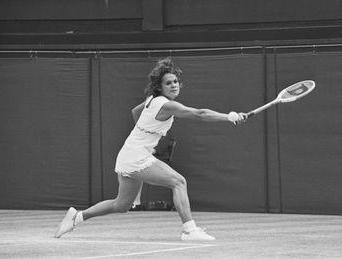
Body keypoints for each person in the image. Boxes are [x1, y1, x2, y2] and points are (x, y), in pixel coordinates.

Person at [54, 58, 247, 241]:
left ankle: (76, 217)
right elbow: (199, 114)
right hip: (136, 157)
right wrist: (230, 116)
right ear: (159, 87)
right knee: (179, 182)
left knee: (121, 205)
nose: (174, 85)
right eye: (168, 83)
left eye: (176, 81)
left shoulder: (151, 100)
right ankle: (189, 230)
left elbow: (136, 112)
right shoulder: (166, 105)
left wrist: (145, 139)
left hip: (129, 154)